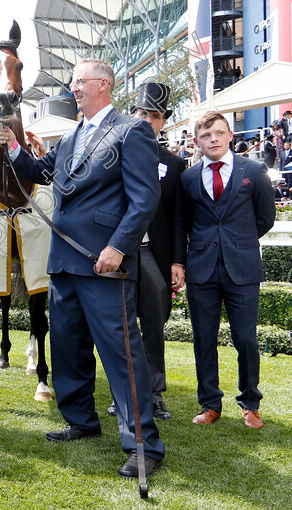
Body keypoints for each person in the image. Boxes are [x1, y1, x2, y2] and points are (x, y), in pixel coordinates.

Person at [0, 59, 164, 478]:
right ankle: (81, 420)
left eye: (78, 81)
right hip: (65, 261)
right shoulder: (72, 135)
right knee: (68, 347)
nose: (72, 87)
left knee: (121, 353)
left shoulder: (133, 131)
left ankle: (143, 444)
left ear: (103, 84)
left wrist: (118, 246)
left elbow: (144, 200)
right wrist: (13, 145)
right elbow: (40, 172)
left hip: (105, 262)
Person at [181, 111, 276, 429]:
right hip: (201, 269)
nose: (214, 140)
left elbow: (265, 217)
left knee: (246, 339)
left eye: (219, 134)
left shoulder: (254, 170)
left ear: (230, 136)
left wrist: (239, 243)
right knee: (203, 339)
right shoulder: (189, 178)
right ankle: (210, 404)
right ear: (198, 141)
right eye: (206, 136)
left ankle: (250, 404)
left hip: (243, 268)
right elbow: (183, 223)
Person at [106, 82, 187, 421]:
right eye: (141, 113)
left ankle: (154, 393)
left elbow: (178, 219)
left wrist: (178, 261)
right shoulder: (112, 154)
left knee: (154, 325)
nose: (147, 120)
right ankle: (122, 393)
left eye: (155, 116)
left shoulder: (174, 164)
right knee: (120, 327)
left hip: (154, 253)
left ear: (162, 122)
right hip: (120, 252)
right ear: (132, 115)